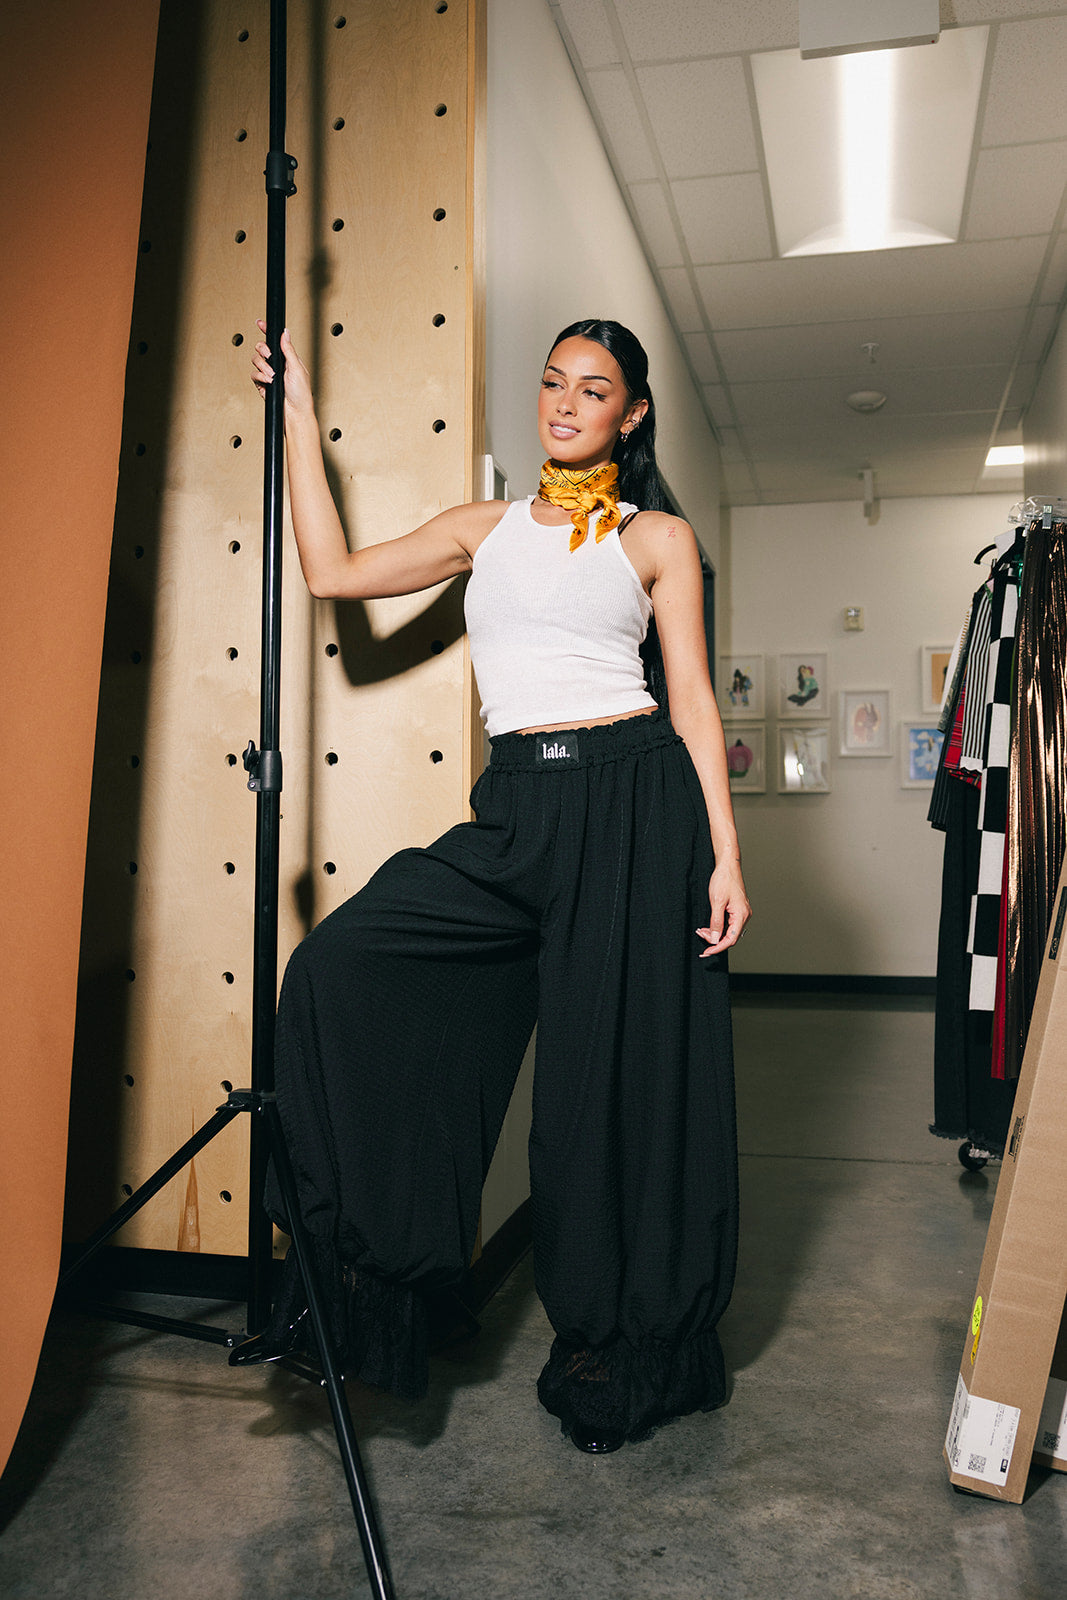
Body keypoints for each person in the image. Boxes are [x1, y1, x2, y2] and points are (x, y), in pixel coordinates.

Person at [236, 317, 751, 1454]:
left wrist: (722, 850)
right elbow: (332, 576)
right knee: (336, 965)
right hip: (518, 804)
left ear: (632, 413)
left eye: (594, 389)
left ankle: (614, 1339)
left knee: (593, 1099)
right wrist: (294, 421)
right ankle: (373, 1277)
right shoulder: (486, 530)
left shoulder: (657, 537)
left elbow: (692, 704)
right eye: (554, 383)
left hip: (631, 803)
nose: (566, 404)